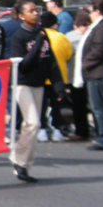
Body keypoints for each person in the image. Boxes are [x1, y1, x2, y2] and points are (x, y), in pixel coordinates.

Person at [9, 0, 63, 183]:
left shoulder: (42, 33)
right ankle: (19, 159)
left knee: (30, 125)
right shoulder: (19, 37)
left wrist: (59, 87)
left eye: (36, 10)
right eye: (30, 11)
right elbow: (24, 65)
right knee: (33, 123)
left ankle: (24, 165)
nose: (35, 13)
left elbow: (50, 61)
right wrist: (38, 42)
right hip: (23, 84)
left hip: (39, 85)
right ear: (21, 15)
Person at [73, 0, 103, 151]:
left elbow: (99, 49)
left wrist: (85, 63)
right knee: (100, 108)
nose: (89, 14)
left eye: (91, 11)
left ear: (97, 12)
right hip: (101, 72)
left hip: (100, 73)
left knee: (100, 108)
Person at [37, 11, 72, 142]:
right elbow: (68, 54)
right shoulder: (61, 37)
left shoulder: (39, 36)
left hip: (41, 76)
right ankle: (57, 130)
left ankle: (42, 130)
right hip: (58, 77)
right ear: (55, 24)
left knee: (41, 105)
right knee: (57, 105)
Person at [65, 10, 92, 141]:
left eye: (88, 24)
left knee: (92, 105)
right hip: (74, 77)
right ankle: (81, 131)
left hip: (89, 76)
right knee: (78, 106)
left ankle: (97, 131)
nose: (86, 27)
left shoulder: (92, 36)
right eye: (83, 25)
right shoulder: (69, 37)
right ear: (76, 25)